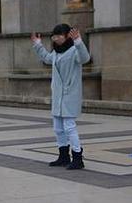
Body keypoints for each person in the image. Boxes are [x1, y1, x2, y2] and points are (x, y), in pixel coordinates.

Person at [31, 24, 92, 169]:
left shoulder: (73, 51)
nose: (56, 39)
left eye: (59, 36)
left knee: (69, 127)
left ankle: (77, 157)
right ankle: (63, 155)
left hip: (70, 95)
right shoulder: (56, 53)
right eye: (54, 36)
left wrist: (78, 41)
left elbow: (85, 58)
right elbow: (47, 58)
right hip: (58, 96)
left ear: (66, 36)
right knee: (58, 127)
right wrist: (38, 45)